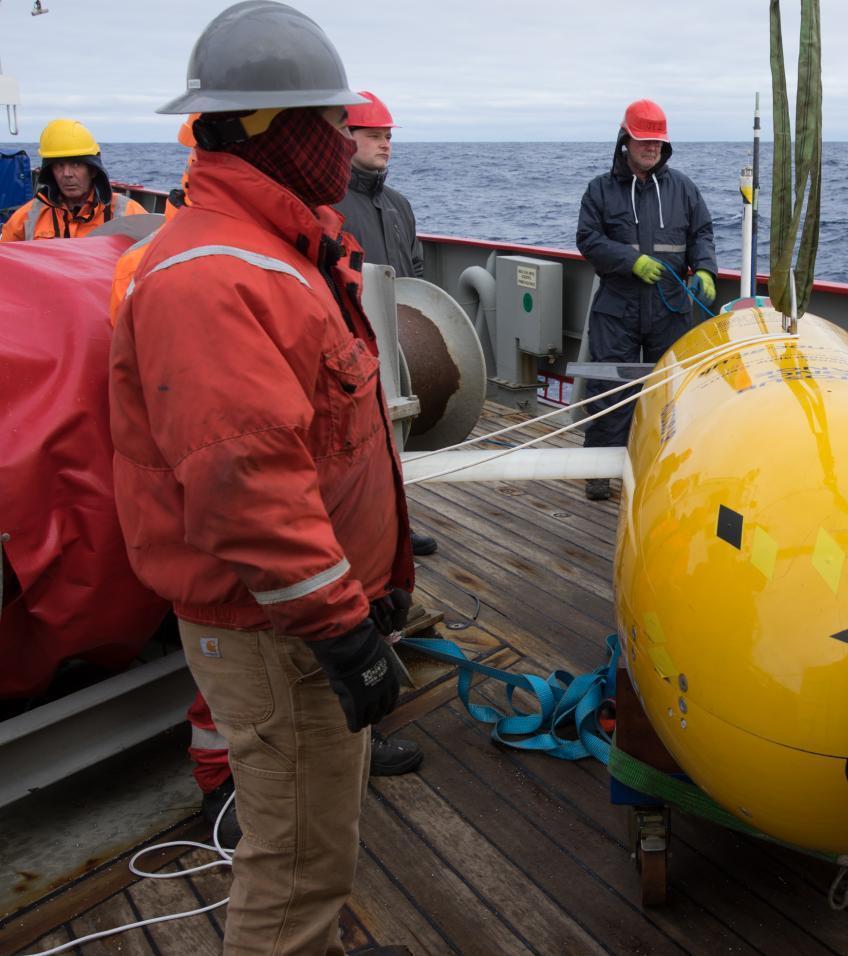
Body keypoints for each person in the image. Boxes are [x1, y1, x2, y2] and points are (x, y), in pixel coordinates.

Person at [108, 4, 414, 953]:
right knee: (295, 867)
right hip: (278, 632)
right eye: (327, 121)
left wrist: (370, 587)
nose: (344, 141)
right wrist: (342, 628)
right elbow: (247, 486)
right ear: (268, 131)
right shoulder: (212, 277)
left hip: (297, 617)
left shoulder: (277, 247)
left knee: (315, 842)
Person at [576, 99, 717, 500]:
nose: (652, 148)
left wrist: (705, 270)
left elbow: (702, 233)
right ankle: (599, 472)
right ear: (626, 140)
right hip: (617, 308)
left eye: (658, 142)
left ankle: (662, 469)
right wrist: (631, 261)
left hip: (670, 308)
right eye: (644, 140)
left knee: (669, 392)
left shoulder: (684, 189)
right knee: (610, 390)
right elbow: (587, 239)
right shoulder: (600, 190)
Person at [333, 90, 437, 559]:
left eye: (388, 136)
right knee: (352, 447)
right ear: (345, 136)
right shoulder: (328, 205)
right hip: (348, 347)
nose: (385, 144)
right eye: (374, 135)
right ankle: (352, 537)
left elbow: (415, 270)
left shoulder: (399, 205)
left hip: (397, 348)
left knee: (395, 441)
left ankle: (396, 527)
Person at [1, 118, 146, 242]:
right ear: (50, 172)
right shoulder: (26, 218)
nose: (67, 174)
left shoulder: (128, 212)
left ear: (93, 170)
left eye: (76, 164)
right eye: (59, 165)